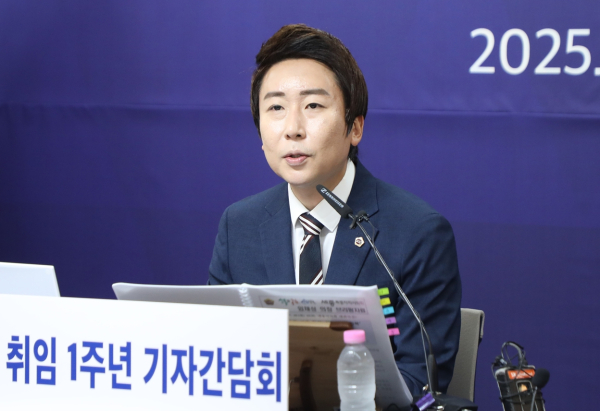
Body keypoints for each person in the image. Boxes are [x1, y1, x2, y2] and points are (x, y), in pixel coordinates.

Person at [208, 24, 461, 396]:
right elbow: (217, 356)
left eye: (313, 106)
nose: (293, 129)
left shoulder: (417, 232)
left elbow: (419, 383)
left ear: (354, 127)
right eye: (276, 107)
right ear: (260, 132)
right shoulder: (239, 225)